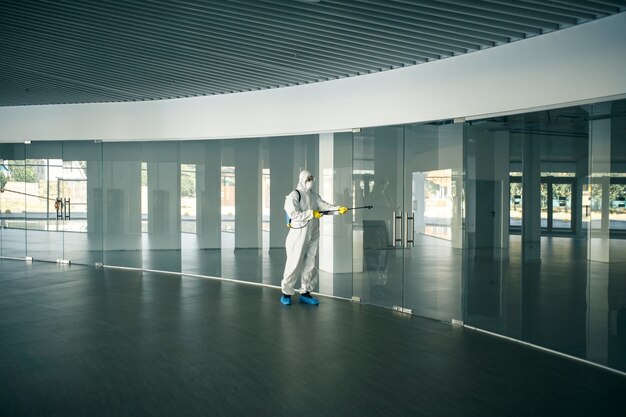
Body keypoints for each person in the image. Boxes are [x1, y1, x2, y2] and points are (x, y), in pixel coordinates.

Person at [280, 170, 348, 305]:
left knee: (310, 263)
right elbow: (294, 214)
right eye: (308, 179)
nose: (310, 181)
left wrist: (338, 209)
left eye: (312, 178)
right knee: (294, 263)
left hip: (313, 232)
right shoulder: (294, 195)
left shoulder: (313, 195)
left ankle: (305, 292)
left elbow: (324, 206)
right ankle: (286, 293)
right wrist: (312, 213)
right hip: (298, 234)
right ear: (302, 179)